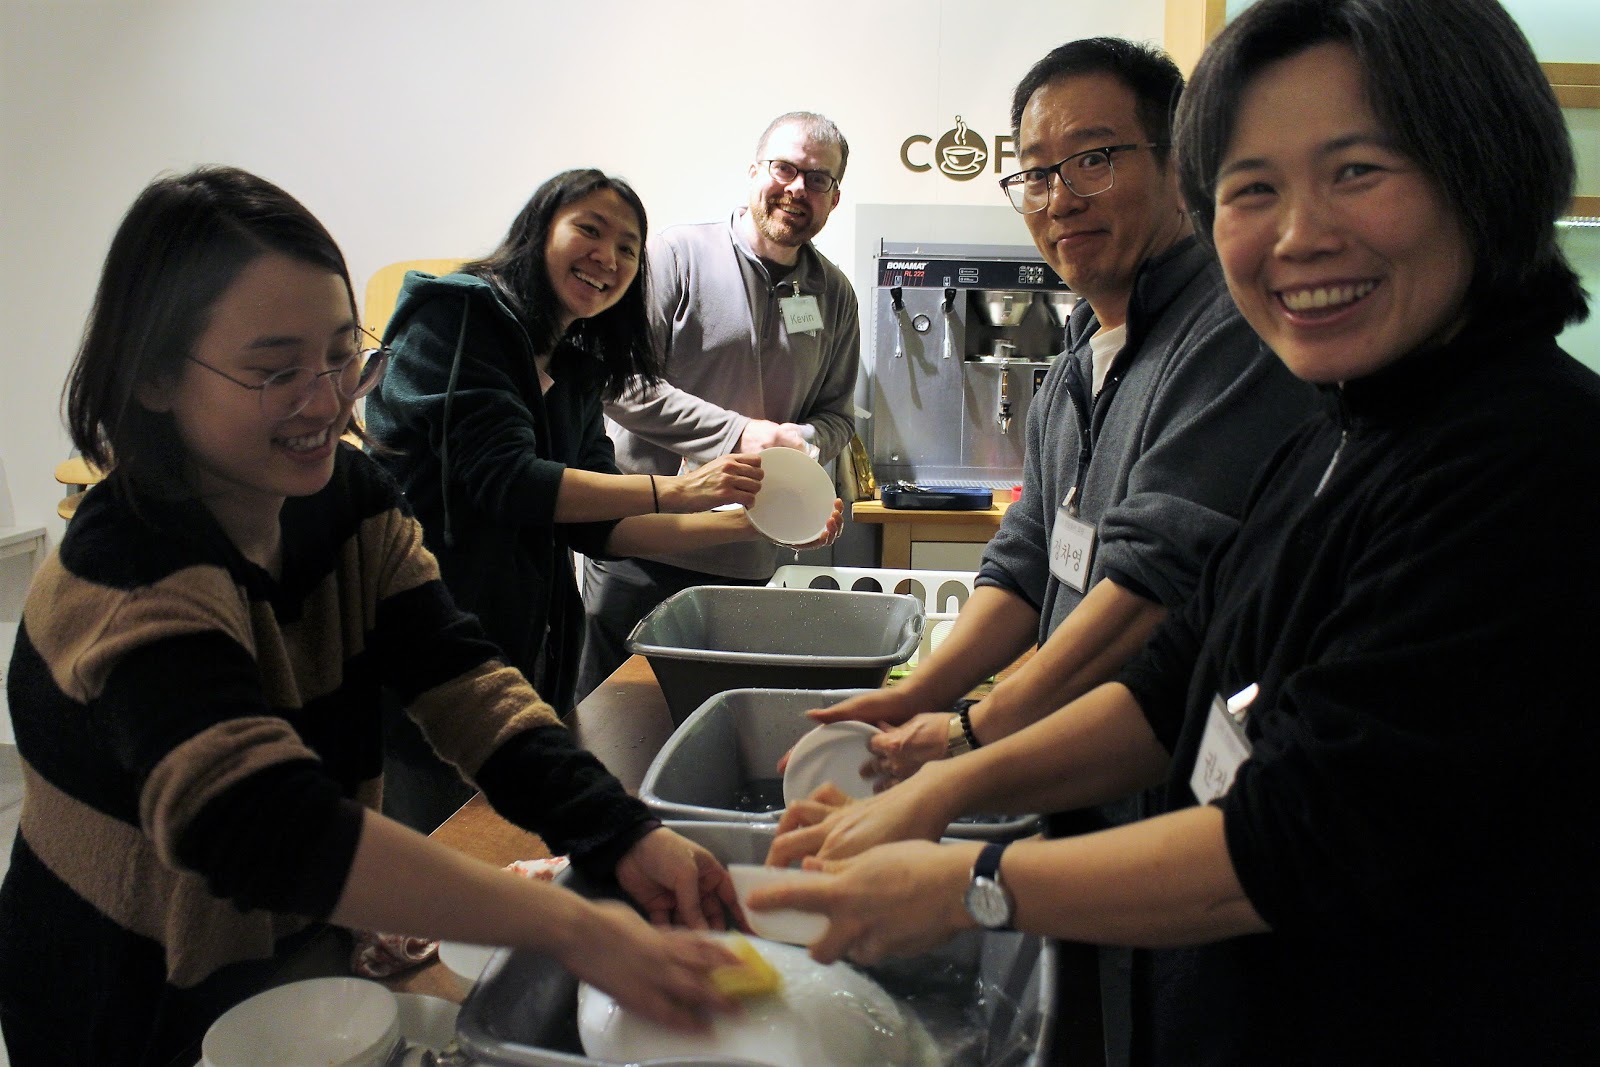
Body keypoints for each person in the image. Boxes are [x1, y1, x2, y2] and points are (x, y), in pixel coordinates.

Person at [754, 0, 1600, 1061]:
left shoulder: (1525, 461)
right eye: (1253, 187)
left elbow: (1305, 836)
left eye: (1357, 171)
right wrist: (949, 779)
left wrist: (970, 883)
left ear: (1482, 163)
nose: (1297, 234)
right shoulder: (1341, 425)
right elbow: (1174, 683)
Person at [0, 166, 746, 1067]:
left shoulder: (345, 499)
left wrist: (621, 832)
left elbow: (465, 682)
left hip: (288, 971)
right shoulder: (126, 569)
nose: (325, 401)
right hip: (122, 1001)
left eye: (341, 355)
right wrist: (572, 925)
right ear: (154, 373)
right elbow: (260, 822)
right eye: (277, 370)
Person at [802, 40, 1313, 794]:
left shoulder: (1229, 331)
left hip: (1166, 796)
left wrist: (976, 728)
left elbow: (1152, 582)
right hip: (1066, 777)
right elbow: (1029, 550)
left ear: (1181, 168)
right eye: (1036, 173)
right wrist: (919, 693)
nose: (1059, 198)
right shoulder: (1077, 349)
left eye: (1094, 157)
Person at [364, 169, 839, 829]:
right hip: (426, 646)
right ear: (540, 230)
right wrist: (680, 487)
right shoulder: (461, 313)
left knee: (495, 841)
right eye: (590, 229)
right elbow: (505, 479)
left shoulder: (578, 363)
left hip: (516, 655)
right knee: (432, 855)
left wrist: (751, 523)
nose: (607, 258)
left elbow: (602, 527)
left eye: (626, 248)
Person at [576, 112, 861, 702]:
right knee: (612, 728)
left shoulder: (834, 295)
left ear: (834, 198)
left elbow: (837, 415)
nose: (797, 189)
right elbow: (621, 382)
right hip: (647, 548)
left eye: (818, 179)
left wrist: (803, 446)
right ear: (754, 171)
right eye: (784, 168)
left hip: (751, 559)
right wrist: (740, 435)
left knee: (721, 728)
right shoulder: (674, 257)